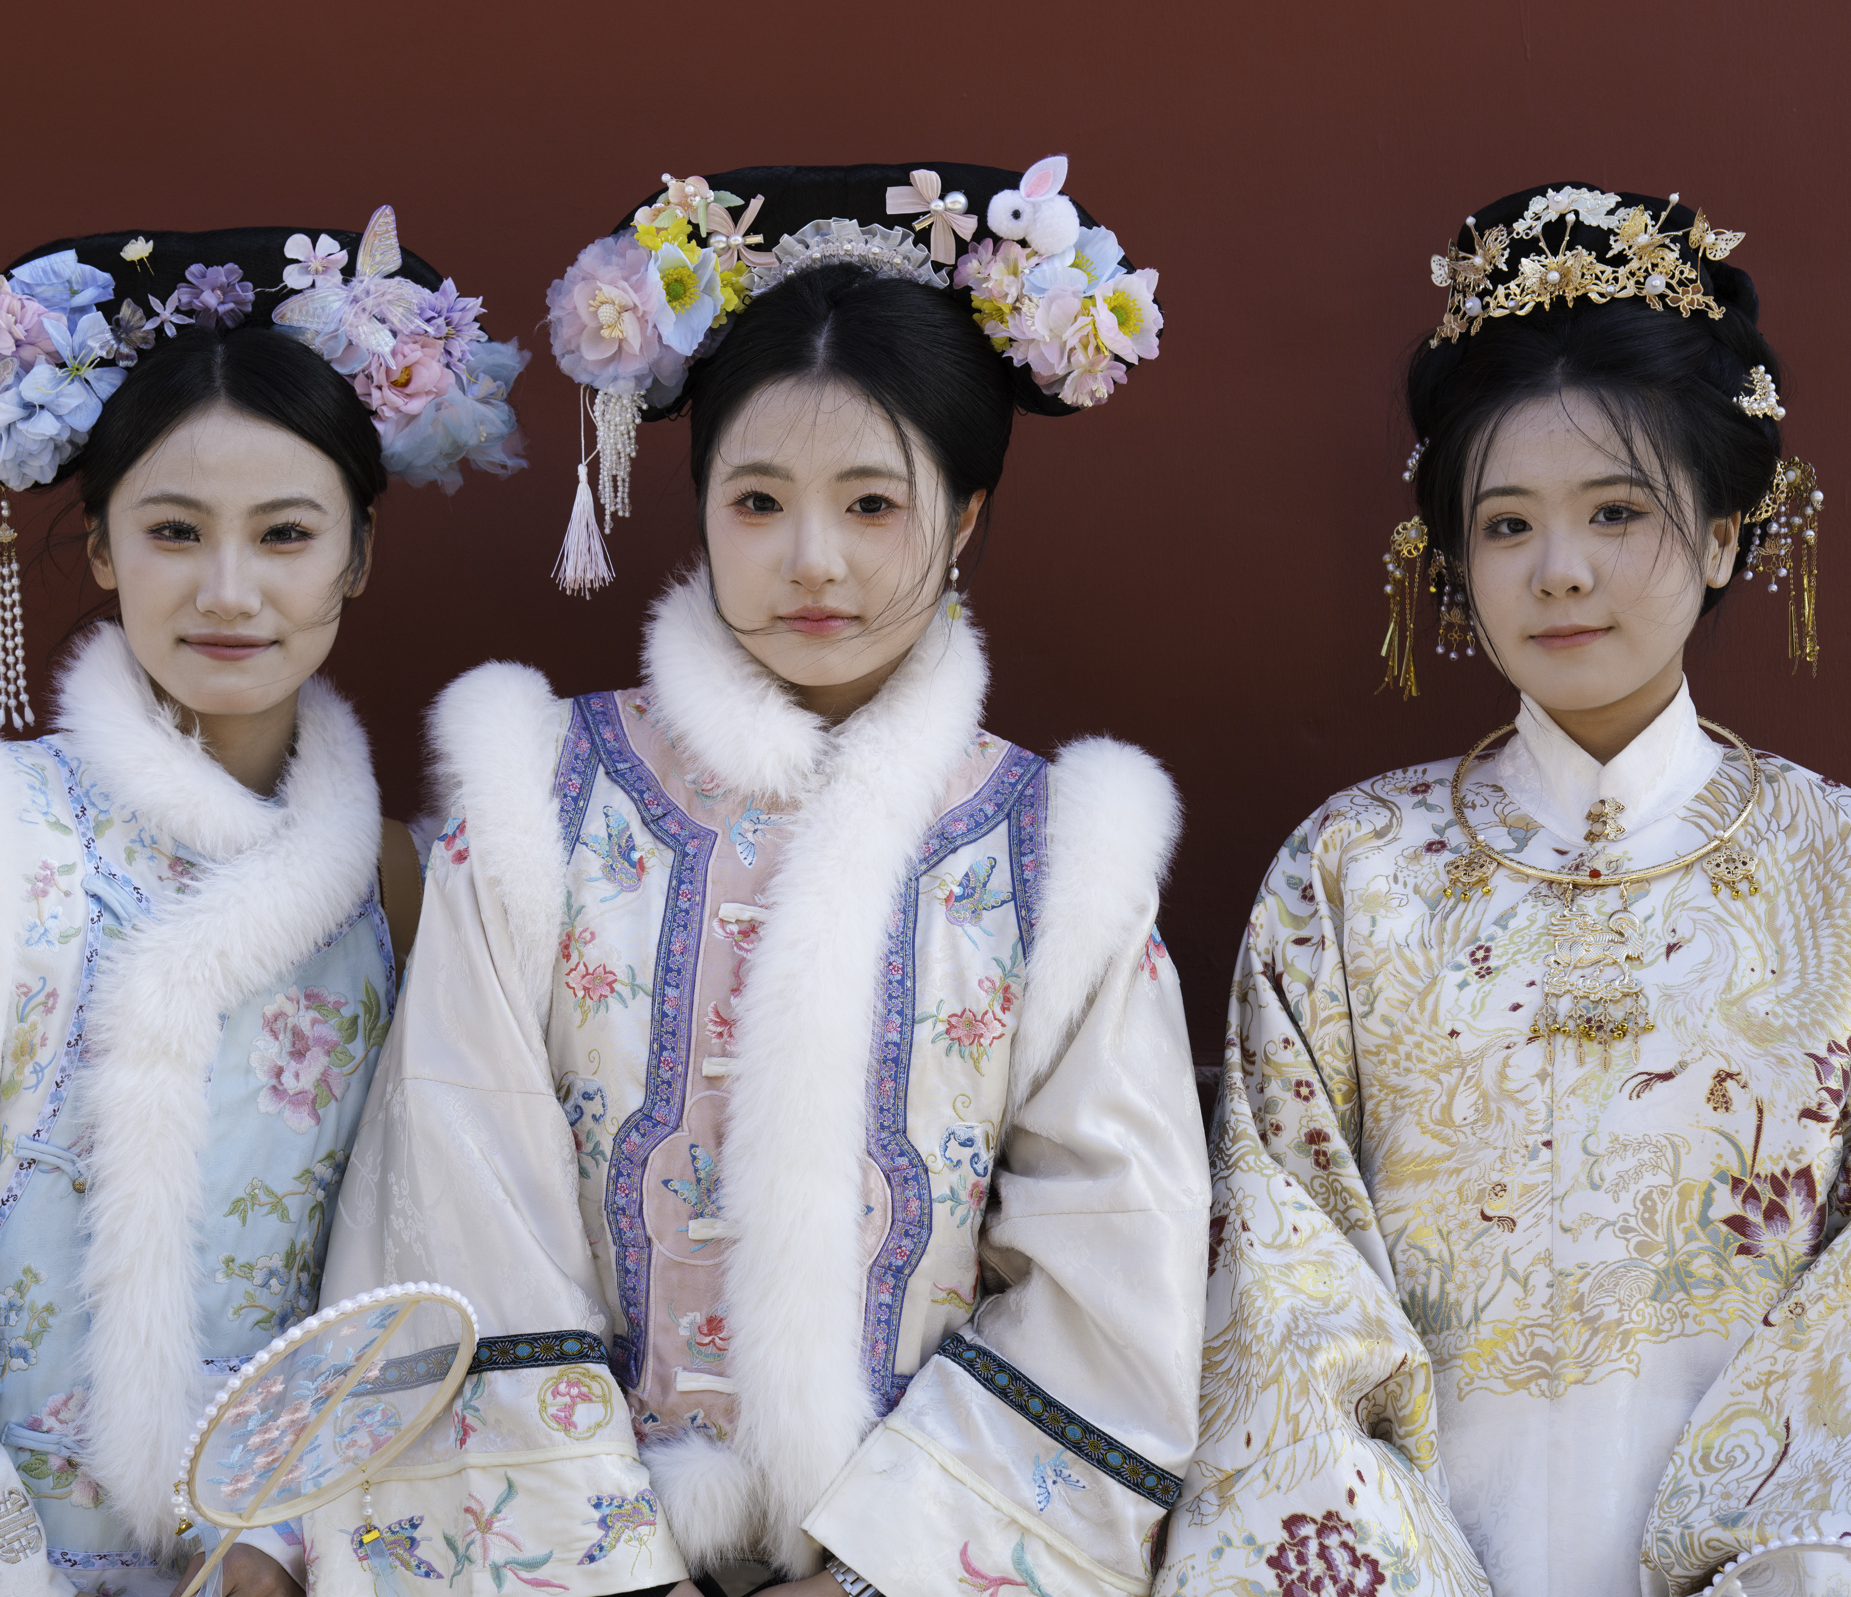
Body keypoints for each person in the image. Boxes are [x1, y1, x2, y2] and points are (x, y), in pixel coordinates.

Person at [1158, 183, 1851, 1597]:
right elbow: (1287, 1314)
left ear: (1723, 534)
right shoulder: (1346, 881)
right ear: (1450, 558)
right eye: (1508, 524)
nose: (1561, 569)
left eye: (1617, 510)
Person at [310, 162, 1201, 1597]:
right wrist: (607, 1568)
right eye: (759, 499)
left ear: (966, 518)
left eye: (870, 504)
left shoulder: (1056, 851)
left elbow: (1115, 1264)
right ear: (699, 501)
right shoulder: (539, 796)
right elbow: (458, 1188)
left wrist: (879, 1572)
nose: (811, 562)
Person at [0, 210, 526, 1597]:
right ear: (104, 555)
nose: (231, 588)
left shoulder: (400, 885)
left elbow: (424, 1245)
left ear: (358, 557)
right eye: (176, 531)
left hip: (268, 1555)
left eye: (288, 533)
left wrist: (282, 1535)